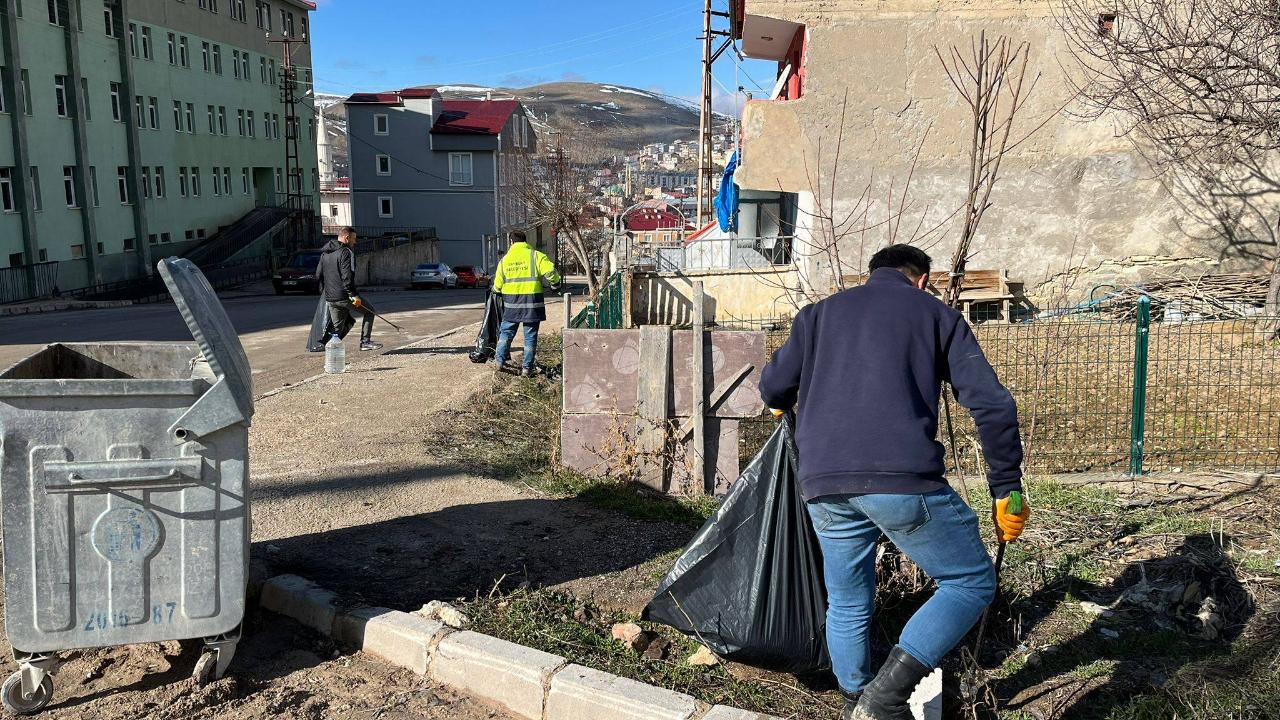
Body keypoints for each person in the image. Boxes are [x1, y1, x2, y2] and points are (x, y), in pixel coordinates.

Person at [759, 244, 1031, 720]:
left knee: (847, 599)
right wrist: (1005, 486)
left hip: (823, 483)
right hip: (902, 482)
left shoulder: (818, 315)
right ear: (922, 279)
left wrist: (784, 404)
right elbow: (993, 405)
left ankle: (854, 701)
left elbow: (773, 387)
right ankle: (886, 698)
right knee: (969, 582)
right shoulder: (935, 315)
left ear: (871, 274)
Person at [491, 230, 561, 377]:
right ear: (525, 241)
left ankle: (499, 362)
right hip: (532, 304)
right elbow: (551, 272)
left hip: (511, 305)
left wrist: (497, 291)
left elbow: (497, 286)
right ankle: (526, 369)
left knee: (506, 333)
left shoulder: (504, 261)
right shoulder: (535, 256)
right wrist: (555, 284)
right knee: (530, 336)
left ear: (511, 242)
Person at [317, 226, 382, 352]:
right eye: (354, 239)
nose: (355, 242)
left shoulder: (325, 254)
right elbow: (347, 276)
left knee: (337, 329)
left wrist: (325, 293)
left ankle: (330, 352)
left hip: (330, 298)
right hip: (345, 296)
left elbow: (318, 275)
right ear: (346, 238)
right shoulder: (346, 252)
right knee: (370, 312)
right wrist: (353, 295)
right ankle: (365, 342)